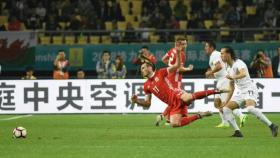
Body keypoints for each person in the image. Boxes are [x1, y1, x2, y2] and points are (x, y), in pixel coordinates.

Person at [131, 43, 228, 128]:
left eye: (143, 68)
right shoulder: (146, 85)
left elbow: (176, 66)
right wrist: (137, 101)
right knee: (174, 124)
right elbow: (148, 103)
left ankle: (215, 91)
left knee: (188, 98)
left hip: (177, 94)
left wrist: (177, 53)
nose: (141, 70)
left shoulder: (161, 72)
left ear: (149, 68)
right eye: (141, 68)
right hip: (172, 104)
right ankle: (199, 115)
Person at [220, 46, 278, 137]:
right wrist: (225, 102)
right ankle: (237, 132)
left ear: (228, 54)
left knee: (250, 108)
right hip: (241, 92)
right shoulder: (228, 68)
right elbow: (232, 87)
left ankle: (272, 125)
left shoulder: (238, 63)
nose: (221, 55)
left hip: (249, 88)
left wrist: (233, 77)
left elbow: (243, 74)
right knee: (226, 108)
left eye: (222, 53)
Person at [204, 41, 247, 128]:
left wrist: (210, 72)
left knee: (225, 103)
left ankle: (241, 115)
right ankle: (225, 122)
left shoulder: (215, 55)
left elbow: (219, 66)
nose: (205, 48)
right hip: (220, 80)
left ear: (211, 48)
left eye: (206, 46)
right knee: (217, 103)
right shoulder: (214, 55)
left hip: (225, 80)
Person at [156, 37, 193, 126]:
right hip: (175, 79)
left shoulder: (172, 50)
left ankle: (172, 118)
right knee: (177, 98)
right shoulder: (182, 54)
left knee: (173, 99)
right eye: (183, 44)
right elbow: (180, 68)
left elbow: (163, 59)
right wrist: (188, 69)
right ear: (178, 44)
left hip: (168, 77)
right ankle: (163, 116)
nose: (185, 46)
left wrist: (171, 66)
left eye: (185, 43)